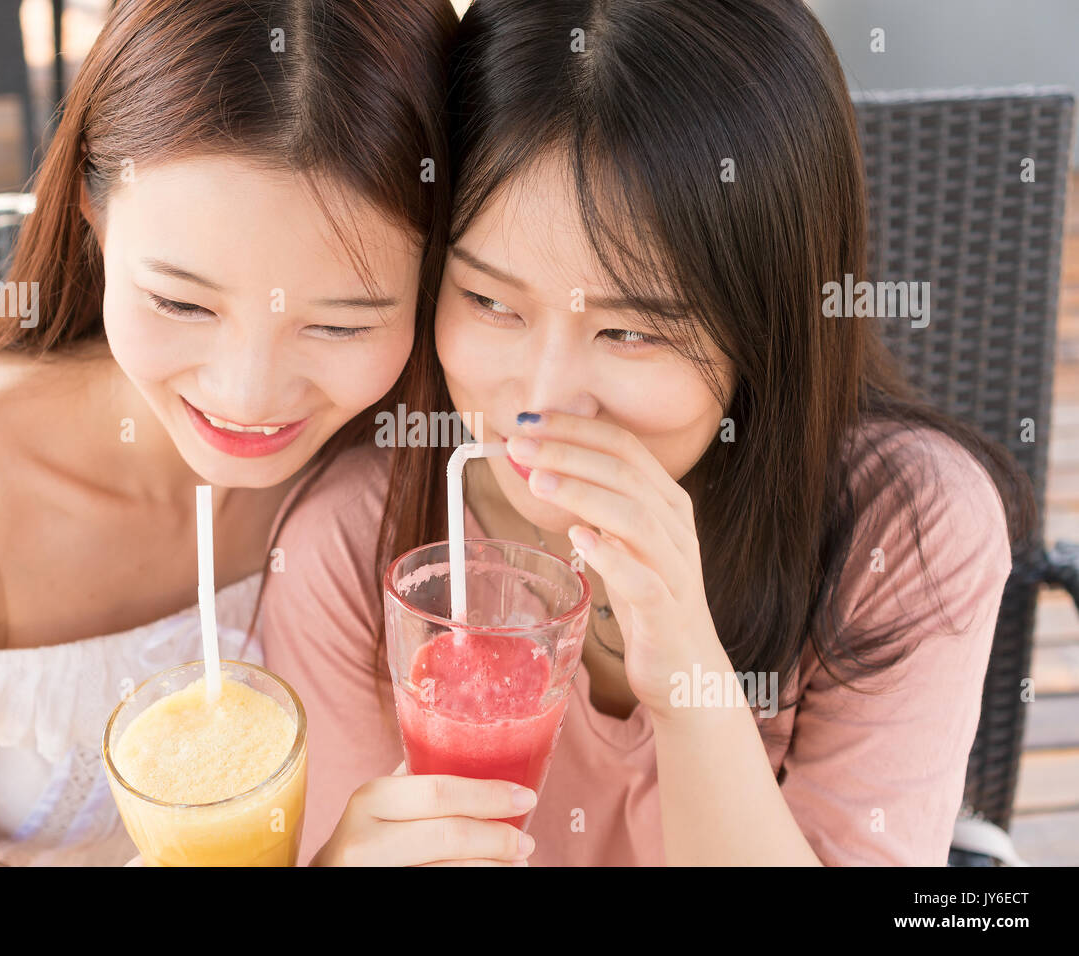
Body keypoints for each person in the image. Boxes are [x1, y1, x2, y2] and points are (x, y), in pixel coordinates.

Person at [259, 0, 1034, 865]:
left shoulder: (913, 534)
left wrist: (689, 678)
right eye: (488, 301)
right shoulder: (357, 553)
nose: (542, 402)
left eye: (631, 332)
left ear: (768, 327)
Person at [0, 0, 456, 866]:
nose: (247, 396)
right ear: (95, 222)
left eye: (340, 326)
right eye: (180, 301)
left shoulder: (390, 455)